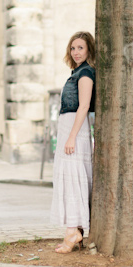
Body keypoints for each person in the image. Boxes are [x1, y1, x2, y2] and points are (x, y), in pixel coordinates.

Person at [50, 31, 97, 253]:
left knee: (72, 181)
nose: (76, 52)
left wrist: (71, 137)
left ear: (89, 50)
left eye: (80, 47)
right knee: (70, 180)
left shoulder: (86, 72)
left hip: (75, 131)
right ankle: (73, 230)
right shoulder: (76, 72)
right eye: (73, 48)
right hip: (69, 128)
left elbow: (84, 105)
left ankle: (73, 232)